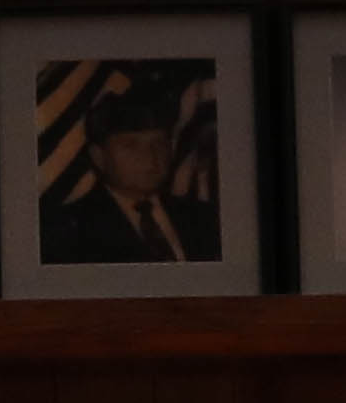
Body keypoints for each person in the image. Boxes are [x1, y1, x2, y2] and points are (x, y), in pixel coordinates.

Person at [34, 66, 219, 267]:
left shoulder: (205, 219)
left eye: (159, 144)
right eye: (131, 145)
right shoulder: (65, 231)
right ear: (99, 156)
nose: (150, 156)